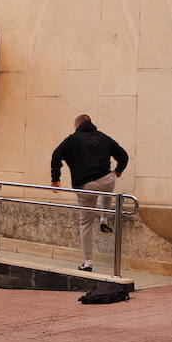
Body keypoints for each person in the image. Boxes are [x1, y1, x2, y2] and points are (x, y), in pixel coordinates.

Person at [50, 114, 129, 272]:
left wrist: (55, 179)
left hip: (87, 185)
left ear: (76, 125)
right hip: (107, 180)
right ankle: (104, 218)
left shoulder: (72, 139)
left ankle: (88, 262)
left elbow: (56, 155)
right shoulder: (103, 137)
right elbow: (123, 155)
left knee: (85, 222)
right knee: (107, 188)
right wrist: (118, 170)